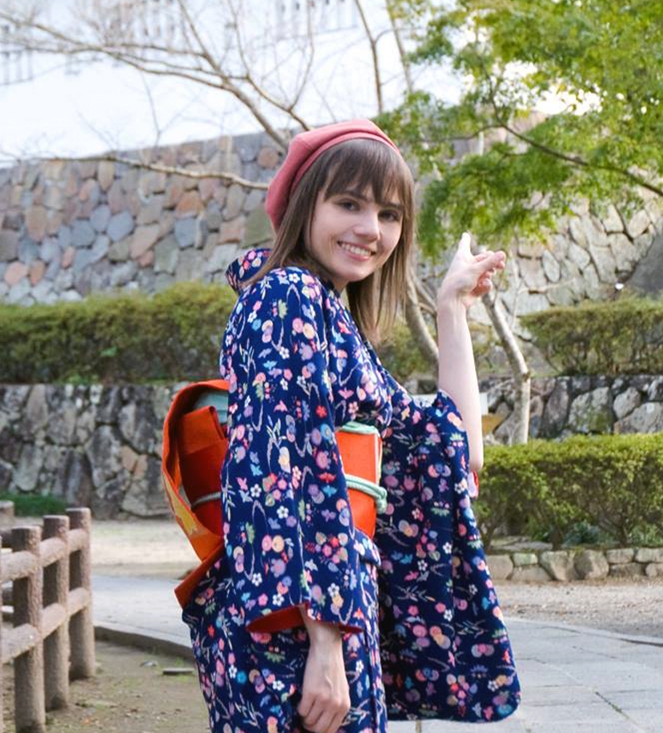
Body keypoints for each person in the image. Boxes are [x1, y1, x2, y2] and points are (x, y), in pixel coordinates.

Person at [181, 120, 520, 733]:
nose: (371, 229)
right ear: (304, 205)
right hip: (297, 626)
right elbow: (279, 475)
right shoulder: (286, 298)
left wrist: (451, 308)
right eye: (349, 204)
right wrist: (326, 647)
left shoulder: (331, 318)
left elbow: (455, 449)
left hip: (326, 613)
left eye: (389, 214)